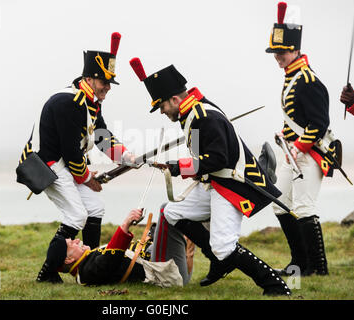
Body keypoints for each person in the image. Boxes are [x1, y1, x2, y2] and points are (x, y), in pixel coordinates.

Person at [128, 58, 291, 296]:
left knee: (224, 247)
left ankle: (275, 286)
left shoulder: (205, 116)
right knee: (172, 213)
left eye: (162, 106)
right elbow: (201, 156)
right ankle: (219, 262)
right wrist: (179, 166)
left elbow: (217, 159)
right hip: (214, 182)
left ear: (174, 99)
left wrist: (178, 167)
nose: (162, 111)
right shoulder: (190, 114)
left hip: (231, 184)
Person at [18, 32, 136, 283]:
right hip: (46, 165)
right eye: (104, 82)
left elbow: (102, 136)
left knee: (95, 208)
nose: (107, 88)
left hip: (63, 164)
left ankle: (92, 265)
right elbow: (71, 151)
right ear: (90, 79)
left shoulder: (89, 101)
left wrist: (126, 156)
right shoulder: (69, 102)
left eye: (108, 83)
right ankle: (47, 273)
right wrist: (87, 179)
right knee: (77, 216)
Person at [266, 2, 335, 277]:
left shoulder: (308, 79)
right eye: (276, 52)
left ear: (295, 50)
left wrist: (299, 147)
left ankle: (318, 268)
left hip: (309, 153)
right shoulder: (291, 77)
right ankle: (299, 264)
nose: (278, 57)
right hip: (292, 153)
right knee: (280, 203)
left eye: (282, 52)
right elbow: (295, 118)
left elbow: (319, 124)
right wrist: (287, 139)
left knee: (305, 208)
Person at [45, 206, 193, 287]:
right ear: (68, 260)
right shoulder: (86, 273)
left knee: (171, 212)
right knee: (167, 211)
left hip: (165, 268)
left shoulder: (87, 265)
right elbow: (108, 260)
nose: (76, 240)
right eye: (71, 244)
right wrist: (125, 224)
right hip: (167, 275)